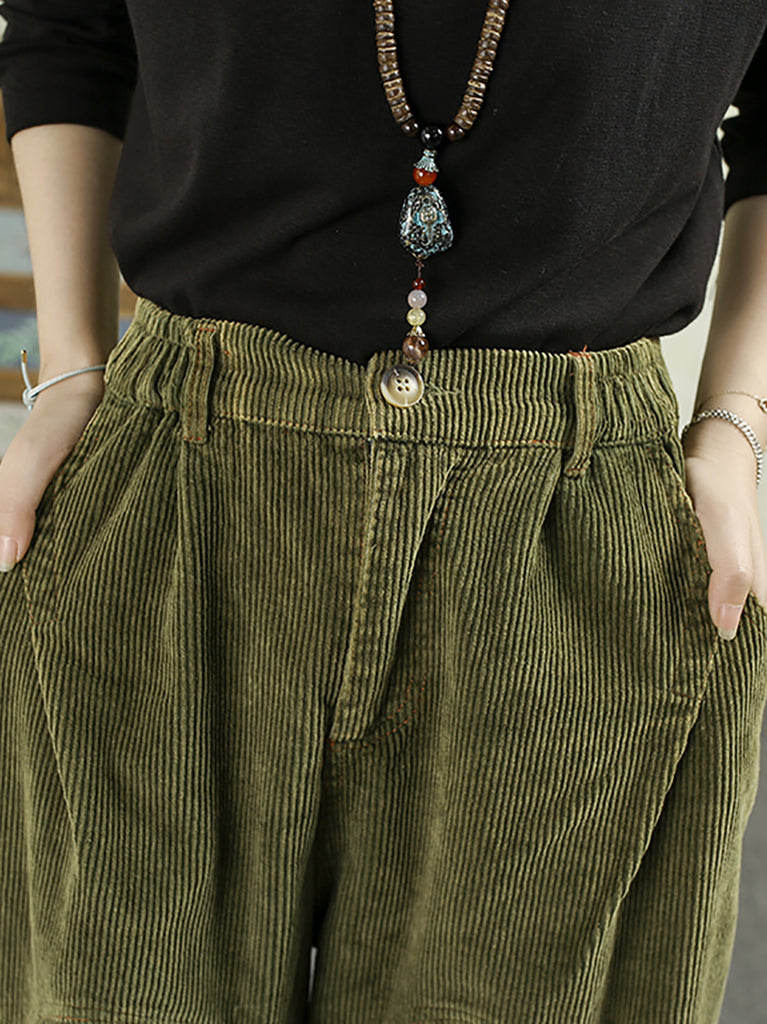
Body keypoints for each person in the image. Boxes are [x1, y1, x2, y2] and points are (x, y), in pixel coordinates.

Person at [0, 2, 766, 1021]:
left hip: (569, 527)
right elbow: (69, 27)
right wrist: (69, 364)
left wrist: (735, 419)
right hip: (177, 494)